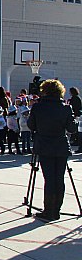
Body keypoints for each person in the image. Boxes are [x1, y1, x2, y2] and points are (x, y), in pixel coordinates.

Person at [28, 79, 77, 221]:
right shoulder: (65, 107)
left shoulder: (38, 107)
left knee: (49, 179)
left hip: (44, 145)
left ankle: (49, 211)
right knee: (59, 178)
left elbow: (32, 125)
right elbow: (72, 129)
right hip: (61, 146)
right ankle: (56, 210)